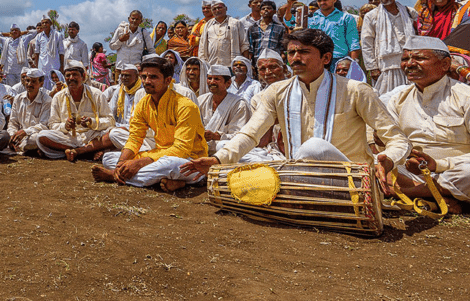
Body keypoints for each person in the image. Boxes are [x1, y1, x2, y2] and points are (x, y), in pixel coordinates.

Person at [181, 29, 410, 187]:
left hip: (349, 179)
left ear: (326, 58)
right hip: (298, 176)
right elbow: (251, 133)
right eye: (291, 53)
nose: (295, 58)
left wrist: (388, 159)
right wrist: (218, 160)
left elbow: (398, 140)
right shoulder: (276, 92)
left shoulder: (356, 90)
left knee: (314, 148)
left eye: (304, 52)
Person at [91, 57, 208, 192]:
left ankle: (115, 176)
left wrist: (141, 162)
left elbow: (181, 149)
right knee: (109, 158)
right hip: (159, 154)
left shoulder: (185, 106)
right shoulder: (144, 103)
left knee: (169, 164)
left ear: (168, 80)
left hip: (189, 160)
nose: (147, 81)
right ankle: (174, 181)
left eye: (153, 77)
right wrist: (121, 164)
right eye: (144, 77)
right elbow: (135, 138)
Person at [385, 37, 470, 212]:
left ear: (445, 64)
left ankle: (412, 193)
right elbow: (393, 142)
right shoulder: (398, 99)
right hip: (410, 174)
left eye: (420, 58)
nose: (410, 64)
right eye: (405, 59)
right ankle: (436, 195)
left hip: (452, 173)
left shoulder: (465, 96)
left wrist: (437, 164)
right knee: (369, 163)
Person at [34, 61, 113, 161]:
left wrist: (92, 122)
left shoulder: (97, 94)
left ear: (83, 77)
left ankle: (76, 151)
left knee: (114, 133)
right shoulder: (58, 97)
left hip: (92, 135)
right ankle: (87, 150)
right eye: (68, 75)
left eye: (75, 74)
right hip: (69, 137)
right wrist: (65, 126)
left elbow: (110, 120)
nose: (71, 78)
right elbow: (52, 124)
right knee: (42, 136)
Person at [198, 65, 251, 156]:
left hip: (223, 150)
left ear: (228, 83)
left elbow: (240, 136)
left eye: (216, 79)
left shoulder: (239, 104)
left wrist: (217, 136)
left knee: (223, 145)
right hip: (201, 147)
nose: (212, 82)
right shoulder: (201, 100)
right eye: (209, 78)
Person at [307, 0, 360, 68]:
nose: (322, 3)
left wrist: (353, 65)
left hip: (339, 61)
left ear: (334, 0)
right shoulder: (311, 19)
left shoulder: (346, 18)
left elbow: (353, 42)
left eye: (325, 0)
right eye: (319, 1)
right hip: (317, 59)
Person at [6, 68, 51, 154]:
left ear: (41, 84)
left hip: (33, 136)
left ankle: (22, 147)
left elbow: (44, 125)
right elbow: (13, 122)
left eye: (33, 81)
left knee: (38, 138)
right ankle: (24, 147)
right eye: (27, 81)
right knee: (4, 136)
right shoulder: (18, 98)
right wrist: (13, 136)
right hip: (19, 136)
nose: (29, 84)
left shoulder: (47, 101)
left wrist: (25, 132)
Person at [198, 0, 249, 67]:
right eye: (214, 9)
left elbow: (244, 45)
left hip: (232, 65)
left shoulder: (235, 23)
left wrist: (246, 63)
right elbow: (202, 47)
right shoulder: (208, 25)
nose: (217, 10)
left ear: (226, 8)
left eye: (219, 8)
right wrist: (203, 64)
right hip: (212, 65)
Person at [246, 0, 287, 64]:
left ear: (274, 12)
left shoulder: (280, 28)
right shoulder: (252, 28)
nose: (266, 10)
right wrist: (249, 64)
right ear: (260, 12)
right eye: (263, 9)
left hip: (274, 63)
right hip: (257, 63)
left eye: (269, 8)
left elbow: (282, 49)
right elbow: (250, 49)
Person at [31, 17, 65, 89]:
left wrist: (62, 66)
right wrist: (36, 67)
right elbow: (36, 53)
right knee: (43, 89)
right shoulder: (39, 37)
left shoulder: (57, 35)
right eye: (43, 23)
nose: (44, 24)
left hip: (55, 67)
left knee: (56, 88)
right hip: (43, 67)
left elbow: (61, 52)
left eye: (46, 22)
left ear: (50, 24)